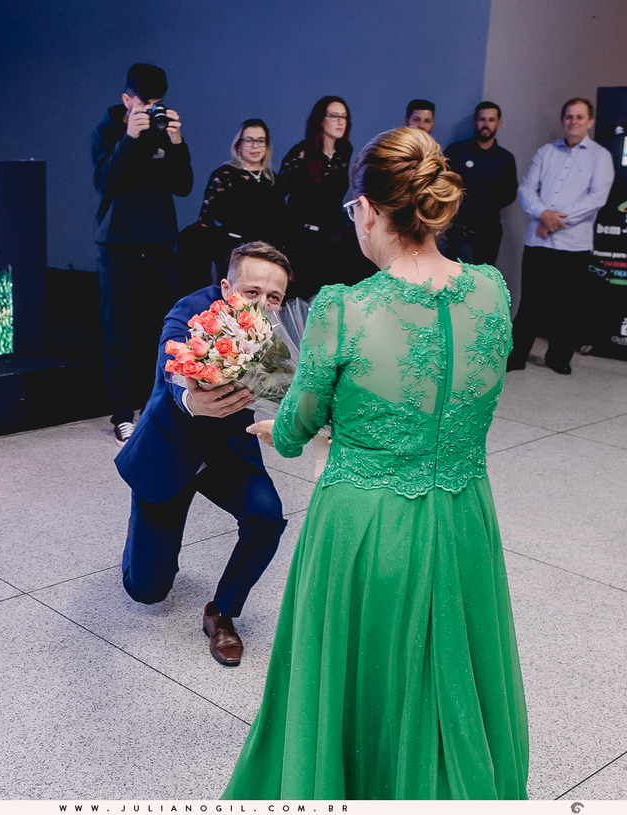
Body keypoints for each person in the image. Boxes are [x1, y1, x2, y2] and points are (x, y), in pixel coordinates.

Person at [224, 128, 527, 799]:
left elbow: (297, 428)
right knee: (451, 670)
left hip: (366, 525)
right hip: (464, 513)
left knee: (361, 681)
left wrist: (281, 427)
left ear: (366, 209)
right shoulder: (491, 290)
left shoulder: (345, 308)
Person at [114, 241, 290, 668]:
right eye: (252, 292)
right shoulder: (191, 310)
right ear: (227, 288)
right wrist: (193, 400)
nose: (262, 305)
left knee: (267, 516)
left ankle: (222, 614)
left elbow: (287, 386)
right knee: (147, 591)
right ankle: (141, 543)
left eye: (274, 297)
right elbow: (171, 365)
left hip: (227, 452)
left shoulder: (276, 332)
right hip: (171, 447)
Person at [92, 62, 192, 446]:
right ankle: (123, 415)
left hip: (160, 245)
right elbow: (105, 182)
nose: (151, 110)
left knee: (167, 331)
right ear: (126, 99)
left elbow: (183, 185)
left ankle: (164, 407)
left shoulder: (163, 130)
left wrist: (177, 143)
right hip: (117, 248)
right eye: (144, 103)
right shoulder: (106, 131)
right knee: (118, 335)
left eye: (157, 103)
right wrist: (130, 139)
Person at [508, 97, 614, 375]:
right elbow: (526, 188)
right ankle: (516, 357)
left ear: (590, 122)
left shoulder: (600, 156)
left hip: (573, 244)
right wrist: (544, 214)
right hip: (538, 241)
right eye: (569, 117)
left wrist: (553, 221)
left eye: (579, 117)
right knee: (530, 302)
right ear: (562, 120)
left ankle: (558, 358)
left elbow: (596, 198)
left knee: (566, 305)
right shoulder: (546, 152)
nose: (573, 122)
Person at [279, 96, 353, 301]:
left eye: (344, 117)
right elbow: (278, 195)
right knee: (307, 295)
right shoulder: (301, 153)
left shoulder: (344, 151)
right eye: (334, 116)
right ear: (321, 120)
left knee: (335, 296)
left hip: (333, 237)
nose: (340, 122)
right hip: (305, 239)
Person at [195, 118, 286, 278]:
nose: (255, 146)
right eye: (249, 140)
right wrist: (222, 251)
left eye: (260, 140)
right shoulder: (225, 176)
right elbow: (205, 221)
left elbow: (280, 222)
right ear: (239, 145)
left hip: (267, 256)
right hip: (235, 255)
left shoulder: (272, 179)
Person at [442, 101, 517, 265]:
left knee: (484, 276)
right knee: (463, 274)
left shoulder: (505, 159)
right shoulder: (457, 151)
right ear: (475, 122)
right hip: (459, 229)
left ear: (499, 123)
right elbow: (443, 184)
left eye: (491, 120)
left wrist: (487, 206)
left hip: (489, 231)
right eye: (482, 119)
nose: (486, 124)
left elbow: (511, 193)